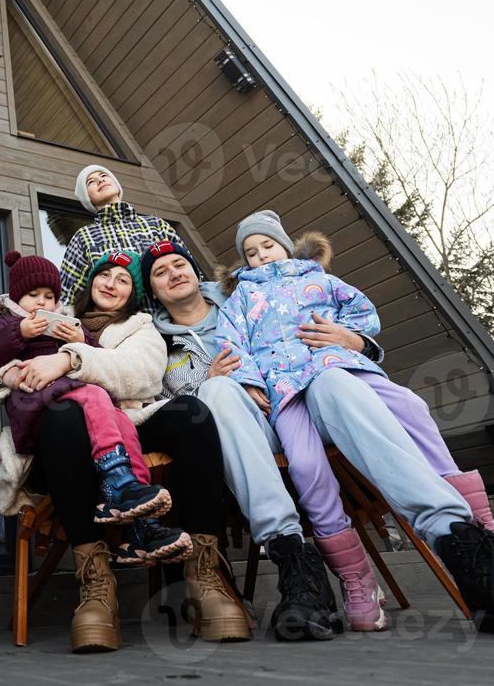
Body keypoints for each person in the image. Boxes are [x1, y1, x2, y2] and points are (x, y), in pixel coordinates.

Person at [216, 209, 494, 639]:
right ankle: (356, 579)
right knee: (306, 468)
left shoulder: (315, 277)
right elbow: (231, 342)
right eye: (251, 253)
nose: (261, 256)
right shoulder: (241, 297)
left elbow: (361, 313)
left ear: (285, 243)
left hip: (334, 366)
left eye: (267, 245)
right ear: (243, 263)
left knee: (403, 404)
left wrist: (352, 338)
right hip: (285, 390)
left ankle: (473, 541)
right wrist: (246, 381)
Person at [0, 251, 247, 652]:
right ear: (88, 285)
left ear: (134, 293)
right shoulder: (49, 317)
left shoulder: (141, 327)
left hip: (126, 427)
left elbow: (140, 377)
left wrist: (71, 359)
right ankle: (95, 584)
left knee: (193, 413)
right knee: (62, 414)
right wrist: (10, 374)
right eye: (103, 275)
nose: (111, 283)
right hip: (55, 449)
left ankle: (205, 573)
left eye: (123, 279)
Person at [143, 238, 345, 640]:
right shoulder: (155, 344)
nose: (173, 273)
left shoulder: (246, 300)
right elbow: (162, 410)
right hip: (222, 445)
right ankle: (294, 561)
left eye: (179, 264)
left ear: (195, 272)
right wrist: (210, 383)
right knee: (216, 393)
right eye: (160, 272)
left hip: (292, 415)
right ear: (152, 292)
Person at [0, 250, 171, 525]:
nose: (42, 302)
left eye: (49, 296)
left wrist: (80, 340)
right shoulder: (8, 321)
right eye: (34, 295)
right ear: (17, 296)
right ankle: (115, 477)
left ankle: (136, 492)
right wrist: (20, 332)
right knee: (95, 394)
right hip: (36, 403)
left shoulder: (68, 322)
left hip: (71, 398)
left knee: (120, 420)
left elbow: (96, 357)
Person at [59, 164, 179, 307]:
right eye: (91, 181)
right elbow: (69, 297)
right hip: (117, 325)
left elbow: (188, 269)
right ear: (87, 198)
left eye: (104, 176)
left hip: (172, 319)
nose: (100, 180)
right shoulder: (83, 237)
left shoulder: (156, 225)